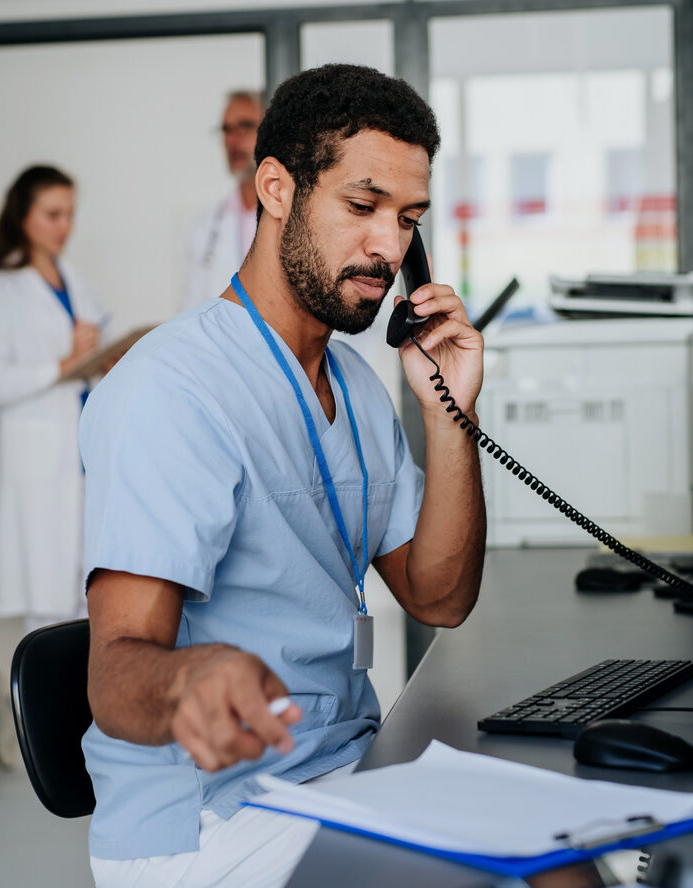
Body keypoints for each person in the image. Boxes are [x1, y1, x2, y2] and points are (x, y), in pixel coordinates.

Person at [82, 64, 487, 888]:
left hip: (342, 766)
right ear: (276, 189)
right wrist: (192, 677)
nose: (390, 247)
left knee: (564, 860)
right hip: (212, 819)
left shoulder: (362, 387)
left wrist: (450, 408)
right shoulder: (173, 389)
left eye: (409, 220)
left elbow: (439, 596)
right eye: (362, 206)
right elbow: (115, 674)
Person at [0, 165, 105, 632]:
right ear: (23, 217)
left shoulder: (75, 278)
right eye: (53, 214)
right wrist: (64, 364)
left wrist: (103, 360)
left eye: (70, 215)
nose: (64, 227)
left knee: (87, 596)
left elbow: (87, 355)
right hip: (40, 460)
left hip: (79, 452)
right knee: (47, 605)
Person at [182, 89, 264, 310]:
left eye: (245, 126)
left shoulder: (297, 216)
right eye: (226, 130)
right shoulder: (204, 228)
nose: (232, 140)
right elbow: (190, 314)